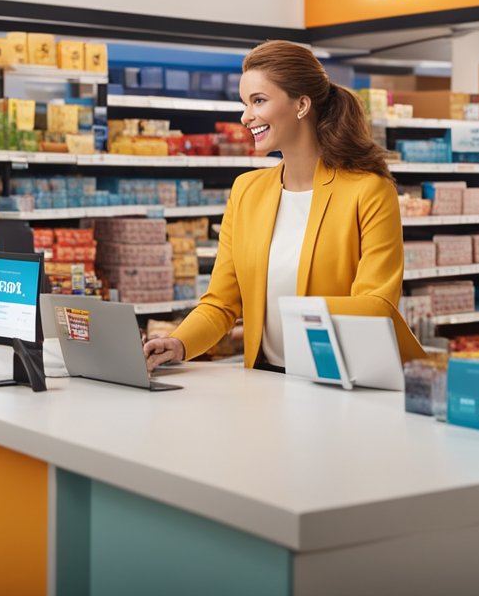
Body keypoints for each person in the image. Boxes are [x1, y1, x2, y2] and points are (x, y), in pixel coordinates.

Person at [143, 39, 424, 373]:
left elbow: (376, 305)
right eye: (245, 103)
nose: (246, 117)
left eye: (258, 101)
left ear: (301, 104)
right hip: (266, 380)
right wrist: (180, 343)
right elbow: (220, 302)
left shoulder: (369, 191)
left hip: (341, 380)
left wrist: (298, 313)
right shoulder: (247, 191)